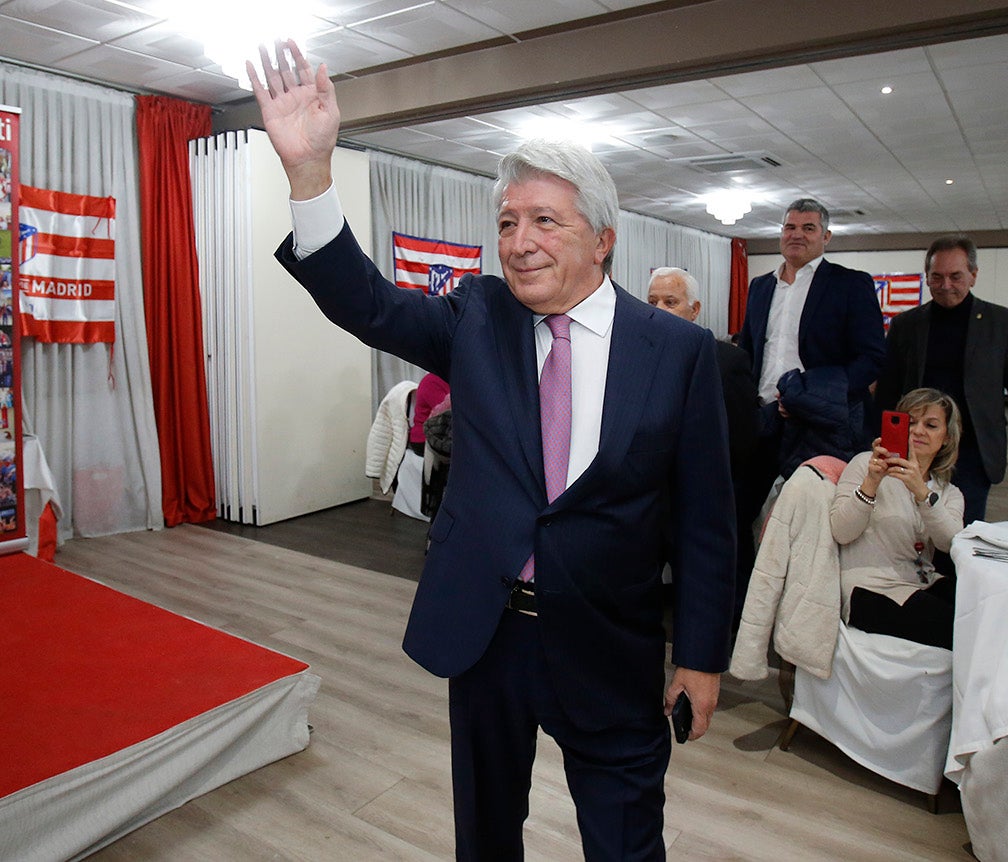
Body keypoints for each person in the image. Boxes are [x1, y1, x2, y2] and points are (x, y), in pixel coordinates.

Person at [248, 41, 734, 860]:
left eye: (546, 220)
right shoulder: (477, 316)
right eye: (507, 222)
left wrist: (702, 656)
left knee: (624, 841)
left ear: (603, 239)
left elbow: (707, 523)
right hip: (489, 635)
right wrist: (309, 172)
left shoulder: (677, 352)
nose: (520, 242)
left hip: (610, 644)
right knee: (485, 835)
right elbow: (363, 302)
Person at [735, 199, 885, 567]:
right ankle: (743, 608)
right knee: (740, 512)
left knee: (815, 521)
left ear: (826, 237)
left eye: (808, 228)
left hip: (820, 425)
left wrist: (814, 394)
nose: (796, 235)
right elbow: (749, 351)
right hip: (764, 418)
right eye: (790, 227)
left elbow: (872, 358)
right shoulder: (760, 287)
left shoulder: (849, 285)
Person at [874, 235, 1008, 524]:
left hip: (974, 452)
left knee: (962, 531)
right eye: (936, 277)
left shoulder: (1004, 324)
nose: (945, 285)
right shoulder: (906, 325)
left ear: (973, 276)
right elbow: (889, 391)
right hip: (917, 446)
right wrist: (884, 443)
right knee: (909, 526)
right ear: (927, 277)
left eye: (955, 276)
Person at [646, 266, 757, 624]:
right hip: (647, 507)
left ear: (694, 310)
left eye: (670, 301)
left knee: (703, 610)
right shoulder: (634, 358)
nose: (660, 309)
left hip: (701, 507)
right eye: (652, 301)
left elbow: (742, 446)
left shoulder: (727, 362)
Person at [830, 388, 965, 649]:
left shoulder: (948, 492)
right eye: (910, 422)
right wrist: (871, 483)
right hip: (869, 589)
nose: (918, 431)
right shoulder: (865, 465)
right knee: (957, 627)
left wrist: (922, 493)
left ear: (946, 438)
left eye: (931, 425)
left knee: (982, 608)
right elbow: (841, 531)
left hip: (921, 583)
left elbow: (951, 543)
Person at [408, 372, 449, 455]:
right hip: (424, 438)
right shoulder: (431, 381)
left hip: (440, 435)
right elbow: (447, 414)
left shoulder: (447, 380)